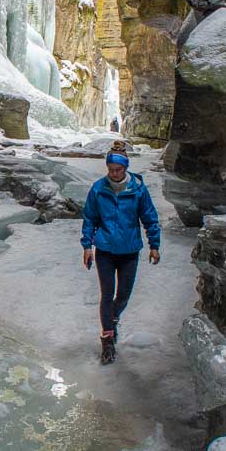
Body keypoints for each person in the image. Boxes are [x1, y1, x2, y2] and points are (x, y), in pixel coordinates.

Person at [80, 141, 160, 364]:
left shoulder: (137, 190)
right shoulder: (98, 189)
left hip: (129, 251)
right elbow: (90, 219)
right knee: (107, 295)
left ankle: (113, 318)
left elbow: (149, 218)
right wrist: (87, 246)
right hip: (104, 249)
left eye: (118, 170)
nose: (113, 174)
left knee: (123, 296)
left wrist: (154, 245)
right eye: (110, 169)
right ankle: (107, 340)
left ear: (125, 168)